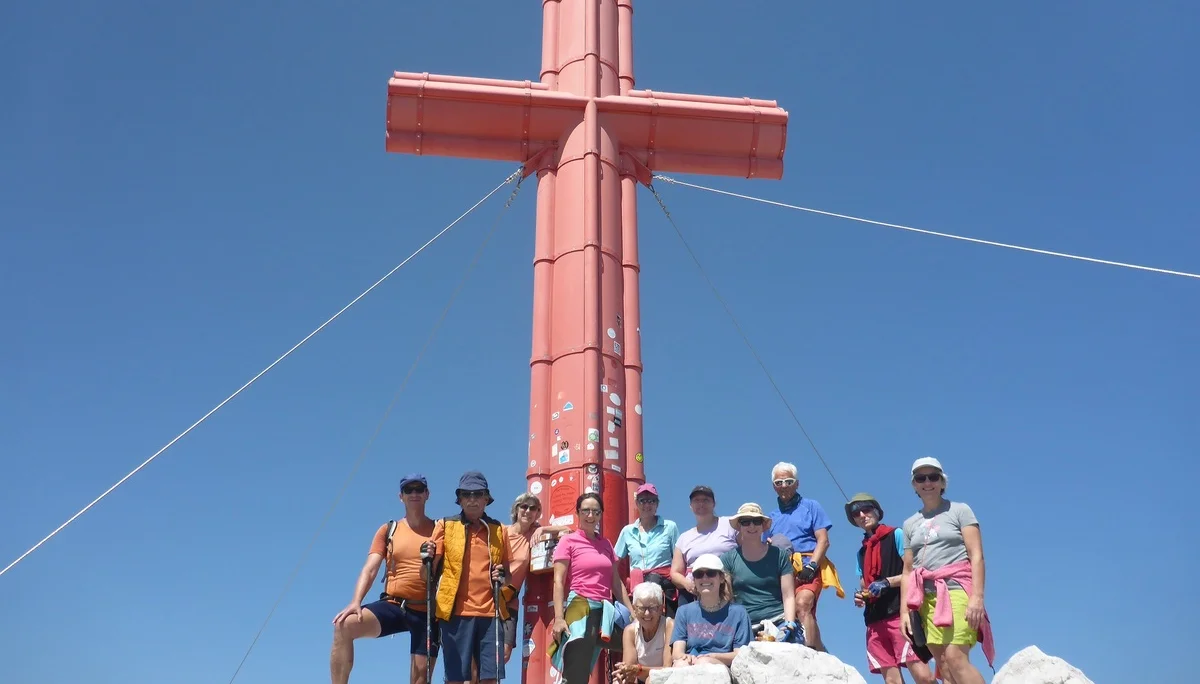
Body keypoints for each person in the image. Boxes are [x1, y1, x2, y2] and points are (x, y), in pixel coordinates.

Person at [330, 473, 439, 684]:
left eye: (419, 489)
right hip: (394, 604)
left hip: (428, 612)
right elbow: (370, 568)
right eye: (409, 490)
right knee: (344, 626)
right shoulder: (389, 530)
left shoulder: (440, 530)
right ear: (401, 496)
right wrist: (356, 601)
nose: (414, 493)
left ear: (427, 494)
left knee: (420, 679)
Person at [900, 457, 995, 684]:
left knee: (955, 657)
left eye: (933, 477)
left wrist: (977, 597)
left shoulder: (960, 511)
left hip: (957, 590)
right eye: (920, 478)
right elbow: (908, 571)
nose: (927, 482)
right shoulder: (909, 524)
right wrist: (904, 611)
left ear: (942, 482)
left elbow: (977, 556)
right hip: (926, 599)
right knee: (942, 664)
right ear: (914, 484)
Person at [422, 471, 515, 684]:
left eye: (477, 494)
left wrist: (502, 575)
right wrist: (425, 558)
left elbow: (508, 575)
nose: (472, 499)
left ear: (486, 498)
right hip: (455, 614)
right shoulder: (445, 525)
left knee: (490, 679)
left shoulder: (498, 529)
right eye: (466, 494)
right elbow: (426, 575)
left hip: (491, 614)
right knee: (455, 679)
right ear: (460, 499)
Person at [846, 493, 934, 684]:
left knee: (923, 675)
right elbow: (865, 585)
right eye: (856, 513)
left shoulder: (897, 535)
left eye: (866, 509)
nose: (862, 514)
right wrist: (861, 597)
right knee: (892, 681)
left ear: (877, 511)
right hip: (874, 620)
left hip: (900, 613)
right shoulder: (861, 552)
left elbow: (915, 572)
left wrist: (887, 582)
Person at [550, 492, 634, 683]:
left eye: (595, 511)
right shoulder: (568, 541)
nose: (590, 515)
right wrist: (558, 619)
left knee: (638, 642)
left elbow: (616, 582)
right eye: (586, 510)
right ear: (578, 513)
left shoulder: (606, 544)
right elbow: (558, 581)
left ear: (601, 514)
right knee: (577, 675)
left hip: (605, 611)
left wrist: (632, 612)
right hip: (580, 607)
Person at [764, 461, 845, 651]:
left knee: (803, 604)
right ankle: (821, 652)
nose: (784, 486)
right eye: (779, 482)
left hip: (809, 564)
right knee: (794, 613)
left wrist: (812, 566)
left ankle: (808, 653)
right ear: (773, 486)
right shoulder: (770, 518)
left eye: (788, 481)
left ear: (797, 484)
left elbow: (823, 540)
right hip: (783, 572)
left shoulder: (811, 506)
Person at [496, 493, 570, 668]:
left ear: (538, 513)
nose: (528, 511)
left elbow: (568, 531)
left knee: (505, 653)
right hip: (490, 595)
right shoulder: (501, 532)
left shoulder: (533, 534)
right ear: (516, 509)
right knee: (482, 654)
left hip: (509, 601)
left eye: (533, 508)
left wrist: (543, 529)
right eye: (524, 507)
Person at [719, 503, 799, 643]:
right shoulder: (728, 559)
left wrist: (789, 624)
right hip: (744, 626)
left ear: (763, 526)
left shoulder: (779, 555)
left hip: (779, 622)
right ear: (739, 527)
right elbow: (727, 599)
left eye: (756, 521)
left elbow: (788, 596)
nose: (751, 526)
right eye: (745, 522)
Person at [668, 553, 751, 668]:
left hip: (722, 668)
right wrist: (686, 657)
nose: (705, 578)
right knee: (681, 664)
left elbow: (740, 654)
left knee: (704, 663)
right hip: (692, 664)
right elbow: (677, 653)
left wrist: (713, 657)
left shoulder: (739, 613)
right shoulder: (684, 611)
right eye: (699, 574)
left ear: (721, 578)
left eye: (711, 573)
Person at [614, 483, 681, 615]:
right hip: (638, 590)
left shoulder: (670, 527)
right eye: (642, 500)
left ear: (657, 504)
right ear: (637, 503)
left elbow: (679, 561)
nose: (647, 505)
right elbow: (613, 564)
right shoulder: (627, 531)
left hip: (664, 589)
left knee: (666, 628)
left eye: (651, 501)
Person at [670, 485, 739, 608]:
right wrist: (688, 584)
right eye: (696, 500)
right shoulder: (684, 538)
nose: (701, 504)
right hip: (696, 588)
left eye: (706, 500)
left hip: (727, 583)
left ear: (714, 503)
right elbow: (675, 573)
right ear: (690, 506)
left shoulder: (730, 524)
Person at [614, 582, 674, 684]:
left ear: (660, 609)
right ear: (634, 609)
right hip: (641, 679)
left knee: (651, 681)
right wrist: (624, 673)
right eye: (642, 608)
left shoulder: (669, 626)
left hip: (666, 679)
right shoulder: (630, 631)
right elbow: (630, 672)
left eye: (652, 608)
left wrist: (639, 669)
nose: (647, 613)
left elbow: (667, 669)